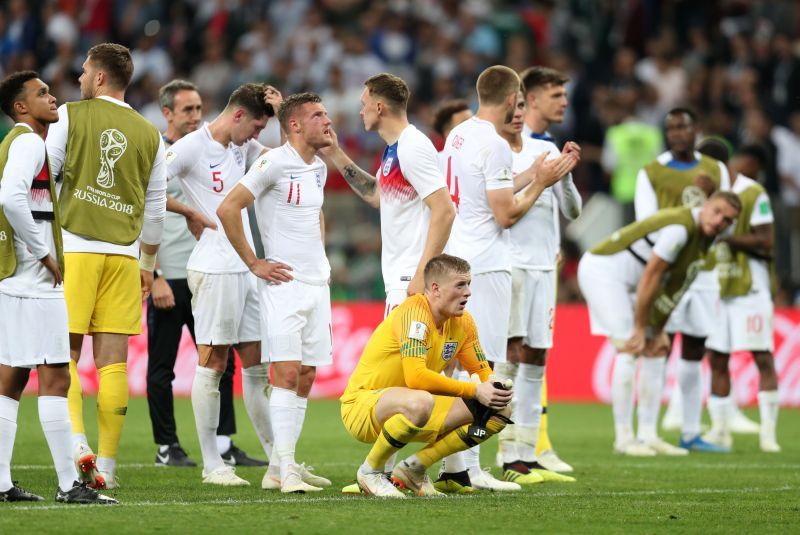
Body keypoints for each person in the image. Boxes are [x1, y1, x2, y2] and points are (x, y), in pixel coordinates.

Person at [437, 65, 576, 491]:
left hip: (461, 256)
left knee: (460, 367)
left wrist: (532, 174)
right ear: (514, 96)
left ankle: (453, 467)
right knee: (485, 369)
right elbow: (507, 214)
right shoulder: (495, 145)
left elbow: (484, 191)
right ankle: (470, 468)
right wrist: (543, 182)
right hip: (489, 264)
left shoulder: (458, 137)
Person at [46, 43, 167, 489]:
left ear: (99, 77)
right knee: (113, 362)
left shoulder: (69, 115)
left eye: (83, 71)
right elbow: (155, 210)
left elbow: (49, 173)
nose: (79, 78)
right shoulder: (150, 133)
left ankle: (79, 444)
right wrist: (148, 265)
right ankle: (110, 469)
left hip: (74, 249)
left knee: (69, 354)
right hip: (124, 255)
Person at [0, 71, 116, 505]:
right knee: (56, 375)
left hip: (13, 282)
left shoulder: (12, 143)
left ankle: (2, 482)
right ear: (21, 107)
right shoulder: (30, 142)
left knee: (10, 380)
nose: (52, 97)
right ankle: (70, 484)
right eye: (41, 93)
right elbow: (11, 197)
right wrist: (43, 252)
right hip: (35, 282)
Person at [218, 92, 335, 493]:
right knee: (285, 372)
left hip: (318, 284)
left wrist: (321, 259)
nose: (328, 121)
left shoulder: (317, 168)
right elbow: (228, 208)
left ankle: (276, 467)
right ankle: (288, 474)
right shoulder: (272, 162)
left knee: (305, 375)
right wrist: (255, 262)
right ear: (296, 125)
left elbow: (314, 215)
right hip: (283, 284)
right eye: (318, 115)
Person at [165, 83, 279, 486]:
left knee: (256, 366)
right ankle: (213, 464)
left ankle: (279, 463)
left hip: (245, 268)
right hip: (214, 268)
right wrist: (189, 212)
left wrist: (280, 114)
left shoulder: (241, 146)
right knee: (213, 363)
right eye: (255, 127)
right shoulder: (192, 147)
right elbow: (147, 185)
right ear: (237, 116)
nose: (256, 136)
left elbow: (283, 160)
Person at [578, 192, 741, 456]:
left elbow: (673, 286)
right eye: (718, 212)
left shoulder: (705, 239)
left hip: (633, 283)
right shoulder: (679, 228)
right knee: (630, 346)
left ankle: (648, 435)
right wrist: (642, 327)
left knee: (656, 349)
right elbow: (652, 276)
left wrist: (659, 329)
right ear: (706, 205)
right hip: (604, 273)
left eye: (727, 219)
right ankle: (624, 438)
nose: (720, 221)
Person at [340, 254, 513, 498]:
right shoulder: (414, 313)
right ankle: (370, 472)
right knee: (421, 399)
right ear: (435, 289)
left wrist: (496, 388)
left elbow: (482, 372)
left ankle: (414, 468)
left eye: (469, 284)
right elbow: (416, 378)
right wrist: (475, 390)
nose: (468, 292)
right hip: (363, 405)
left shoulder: (464, 323)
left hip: (413, 406)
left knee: (500, 410)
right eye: (460, 285)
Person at [633, 108, 738, 452]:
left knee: (695, 349)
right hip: (669, 272)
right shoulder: (652, 172)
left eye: (684, 127)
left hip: (704, 273)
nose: (677, 133)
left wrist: (711, 198)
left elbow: (730, 223)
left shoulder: (716, 169)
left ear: (696, 130)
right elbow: (645, 223)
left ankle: (690, 431)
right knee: (657, 346)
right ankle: (648, 431)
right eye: (671, 128)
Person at [500, 65, 583, 475]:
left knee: (537, 358)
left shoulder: (549, 147)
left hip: (544, 268)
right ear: (530, 99)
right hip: (511, 263)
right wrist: (538, 174)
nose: (564, 102)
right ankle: (503, 449)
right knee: (510, 355)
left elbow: (573, 210)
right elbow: (494, 200)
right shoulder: (505, 145)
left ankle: (527, 453)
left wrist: (564, 174)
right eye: (556, 95)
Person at [699, 143, 781, 453]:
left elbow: (766, 240)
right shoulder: (708, 195)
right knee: (718, 359)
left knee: (762, 356)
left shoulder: (752, 192)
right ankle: (720, 432)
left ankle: (768, 435)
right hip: (717, 286)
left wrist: (725, 235)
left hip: (751, 288)